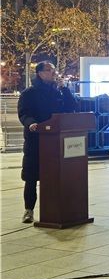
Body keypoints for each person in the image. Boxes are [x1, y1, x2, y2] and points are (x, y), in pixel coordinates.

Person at [17, 61, 77, 223]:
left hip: (55, 141)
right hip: (35, 140)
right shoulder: (29, 93)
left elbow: (72, 108)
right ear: (40, 73)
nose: (54, 73)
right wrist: (31, 123)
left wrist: (65, 89)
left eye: (54, 70)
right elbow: (24, 113)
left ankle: (54, 210)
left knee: (53, 177)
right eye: (50, 70)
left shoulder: (58, 92)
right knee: (31, 177)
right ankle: (29, 210)